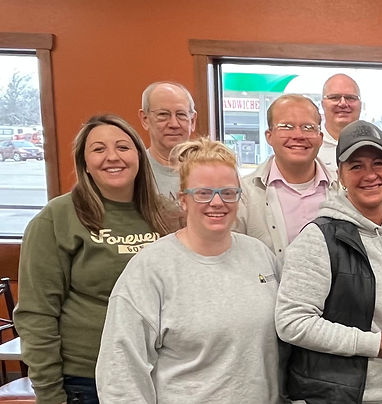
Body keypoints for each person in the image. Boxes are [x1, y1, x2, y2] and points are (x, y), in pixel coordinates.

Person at [96, 138, 280, 403]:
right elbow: (120, 373)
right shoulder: (151, 268)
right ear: (183, 200)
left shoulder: (260, 256)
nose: (217, 202)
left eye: (228, 193)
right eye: (203, 193)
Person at [276, 120, 382, 403]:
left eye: (378, 163)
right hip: (343, 395)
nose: (370, 175)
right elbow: (292, 322)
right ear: (340, 174)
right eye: (356, 166)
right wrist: (372, 344)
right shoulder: (320, 238)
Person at [14, 114, 177, 404]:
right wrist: (50, 393)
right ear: (85, 163)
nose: (112, 157)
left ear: (139, 157)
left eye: (123, 147)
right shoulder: (57, 218)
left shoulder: (167, 215)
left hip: (159, 373)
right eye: (98, 149)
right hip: (86, 379)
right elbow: (37, 314)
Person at [235, 94, 332, 259]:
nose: (298, 135)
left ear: (320, 138)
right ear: (269, 136)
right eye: (286, 126)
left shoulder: (344, 187)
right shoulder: (244, 193)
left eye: (308, 127)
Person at [316, 73, 382, 177]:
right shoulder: (311, 148)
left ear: (360, 105)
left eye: (350, 98)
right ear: (322, 104)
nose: (343, 103)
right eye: (335, 97)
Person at [138, 81, 197, 199]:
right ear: (145, 119)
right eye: (163, 115)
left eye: (181, 114)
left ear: (193, 121)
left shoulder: (213, 170)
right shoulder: (134, 171)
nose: (174, 124)